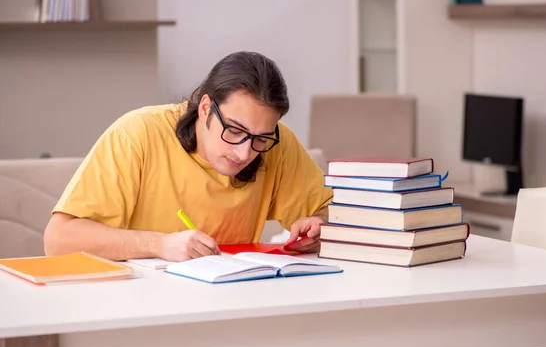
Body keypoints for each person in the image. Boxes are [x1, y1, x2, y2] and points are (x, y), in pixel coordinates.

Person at [44, 51, 333, 262]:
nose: (245, 152)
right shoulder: (136, 134)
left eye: (260, 138)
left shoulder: (275, 142)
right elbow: (58, 240)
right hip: (138, 306)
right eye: (234, 131)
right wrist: (159, 244)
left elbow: (336, 214)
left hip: (236, 302)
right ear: (205, 107)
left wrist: (320, 227)